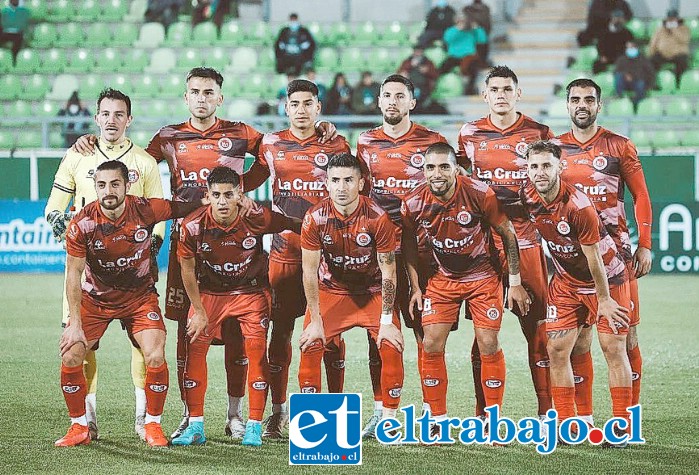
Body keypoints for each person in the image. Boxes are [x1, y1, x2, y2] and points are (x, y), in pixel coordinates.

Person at [71, 67, 337, 440]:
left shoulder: (242, 133)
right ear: (186, 97)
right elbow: (131, 166)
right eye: (195, 91)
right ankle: (188, 415)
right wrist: (92, 141)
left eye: (208, 92)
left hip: (236, 242)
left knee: (239, 334)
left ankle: (235, 415)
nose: (201, 98)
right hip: (188, 247)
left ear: (219, 98)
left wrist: (321, 132)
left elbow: (280, 149)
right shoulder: (168, 137)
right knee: (187, 333)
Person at [55, 160, 204, 447]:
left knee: (155, 355)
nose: (108, 191)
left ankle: (152, 424)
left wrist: (211, 200)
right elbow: (73, 274)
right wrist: (74, 323)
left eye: (114, 184)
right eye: (101, 185)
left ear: (126, 185)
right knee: (71, 354)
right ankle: (79, 427)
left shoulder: (146, 209)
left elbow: (184, 207)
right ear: (95, 187)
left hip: (139, 299)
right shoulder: (83, 222)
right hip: (96, 300)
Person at [45, 88, 166, 442]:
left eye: (119, 114)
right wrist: (68, 235)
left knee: (145, 347)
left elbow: (159, 216)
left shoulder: (144, 162)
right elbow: (54, 207)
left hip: (133, 277)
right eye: (105, 114)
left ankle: (145, 419)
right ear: (96, 117)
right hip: (88, 275)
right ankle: (86, 420)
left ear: (129, 119)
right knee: (80, 345)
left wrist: (147, 250)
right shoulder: (76, 156)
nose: (111, 120)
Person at [402, 143, 529, 437]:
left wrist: (514, 280)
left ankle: (492, 419)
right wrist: (415, 286)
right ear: (423, 171)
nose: (437, 174)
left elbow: (508, 234)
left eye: (444, 167)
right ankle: (436, 419)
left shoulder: (479, 193)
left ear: (456, 168)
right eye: (430, 168)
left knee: (487, 342)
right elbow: (407, 244)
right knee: (431, 342)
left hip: (482, 278)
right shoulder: (412, 203)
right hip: (442, 279)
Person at [174, 166, 301, 447]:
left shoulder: (256, 219)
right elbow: (187, 270)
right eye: (216, 195)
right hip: (210, 294)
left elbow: (295, 224)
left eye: (228, 195)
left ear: (239, 196)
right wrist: (199, 311)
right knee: (194, 345)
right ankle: (195, 425)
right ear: (207, 197)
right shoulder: (192, 226)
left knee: (256, 352)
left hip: (250, 293)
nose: (222, 201)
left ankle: (254, 426)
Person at [255, 79, 352, 438]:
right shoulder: (270, 143)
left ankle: (336, 412)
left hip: (327, 254)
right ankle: (278, 414)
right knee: (280, 332)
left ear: (318, 108)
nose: (301, 109)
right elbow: (249, 174)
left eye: (308, 103)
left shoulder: (337, 144)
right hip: (284, 253)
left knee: (332, 333)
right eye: (294, 103)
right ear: (285, 107)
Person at [456, 65, 553, 424]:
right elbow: (460, 180)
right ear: (485, 95)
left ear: (518, 93)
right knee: (484, 335)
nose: (500, 94)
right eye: (494, 89)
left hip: (526, 242)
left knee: (538, 329)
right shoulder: (469, 134)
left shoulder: (539, 132)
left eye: (507, 89)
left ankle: (547, 412)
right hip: (482, 247)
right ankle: (485, 415)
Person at [520, 140, 633, 445]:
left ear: (560, 166)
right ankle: (570, 425)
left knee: (612, 349)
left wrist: (605, 300)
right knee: (557, 351)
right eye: (534, 166)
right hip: (567, 282)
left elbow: (594, 258)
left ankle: (622, 427)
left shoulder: (577, 205)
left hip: (607, 279)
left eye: (546, 165)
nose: (539, 172)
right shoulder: (527, 194)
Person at [555, 78, 651, 429]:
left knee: (625, 339)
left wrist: (645, 245)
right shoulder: (554, 150)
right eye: (576, 99)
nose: (582, 105)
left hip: (617, 260)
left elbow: (641, 195)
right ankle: (582, 418)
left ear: (599, 105)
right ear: (567, 105)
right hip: (571, 263)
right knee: (578, 341)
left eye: (589, 99)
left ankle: (628, 419)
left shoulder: (618, 145)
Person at [356, 74, 448, 438]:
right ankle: (383, 412)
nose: (392, 101)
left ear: (412, 102)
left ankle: (431, 413)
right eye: (386, 96)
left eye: (400, 96)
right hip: (378, 252)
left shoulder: (433, 142)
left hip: (423, 251)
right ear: (379, 102)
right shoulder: (365, 141)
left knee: (426, 333)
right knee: (378, 333)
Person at [298, 153, 405, 425]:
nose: (341, 187)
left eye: (348, 180)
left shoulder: (378, 218)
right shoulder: (314, 218)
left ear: (361, 183)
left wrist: (386, 321)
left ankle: (387, 420)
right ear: (326, 184)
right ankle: (316, 423)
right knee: (310, 343)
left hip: (372, 292)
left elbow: (389, 271)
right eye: (335, 181)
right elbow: (309, 271)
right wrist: (315, 320)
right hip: (332, 291)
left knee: (391, 343)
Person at [439, 13, 487, 95]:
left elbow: (482, 40)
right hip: (454, 56)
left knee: (473, 69)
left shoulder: (472, 31)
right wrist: (458, 29)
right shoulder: (451, 30)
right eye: (460, 20)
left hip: (469, 56)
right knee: (442, 68)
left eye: (464, 21)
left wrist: (477, 28)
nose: (462, 22)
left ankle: (470, 89)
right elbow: (447, 39)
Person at [648, 9, 690, 88]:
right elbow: (653, 43)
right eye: (670, 18)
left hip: (678, 54)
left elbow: (685, 40)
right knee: (651, 61)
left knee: (683, 62)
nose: (671, 20)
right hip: (663, 54)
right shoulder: (660, 29)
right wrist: (651, 52)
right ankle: (653, 84)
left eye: (673, 18)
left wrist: (674, 29)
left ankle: (678, 84)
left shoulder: (684, 28)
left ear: (677, 18)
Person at [613, 40, 656, 109]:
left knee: (641, 84)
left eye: (631, 47)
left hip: (638, 81)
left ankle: (636, 104)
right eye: (628, 48)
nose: (629, 49)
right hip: (625, 82)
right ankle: (620, 97)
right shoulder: (622, 59)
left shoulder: (643, 59)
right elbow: (616, 71)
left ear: (636, 48)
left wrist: (635, 77)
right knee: (618, 76)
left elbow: (650, 73)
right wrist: (625, 75)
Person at [592, 9, 633, 74]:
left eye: (620, 18)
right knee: (597, 64)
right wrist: (602, 56)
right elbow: (599, 45)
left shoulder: (627, 33)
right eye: (616, 18)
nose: (618, 20)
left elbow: (630, 46)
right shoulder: (604, 32)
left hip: (621, 58)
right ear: (612, 18)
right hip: (607, 57)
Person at [463, 0, 491, 64]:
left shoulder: (468, 9)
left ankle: (480, 62)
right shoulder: (485, 8)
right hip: (476, 34)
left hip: (477, 34)